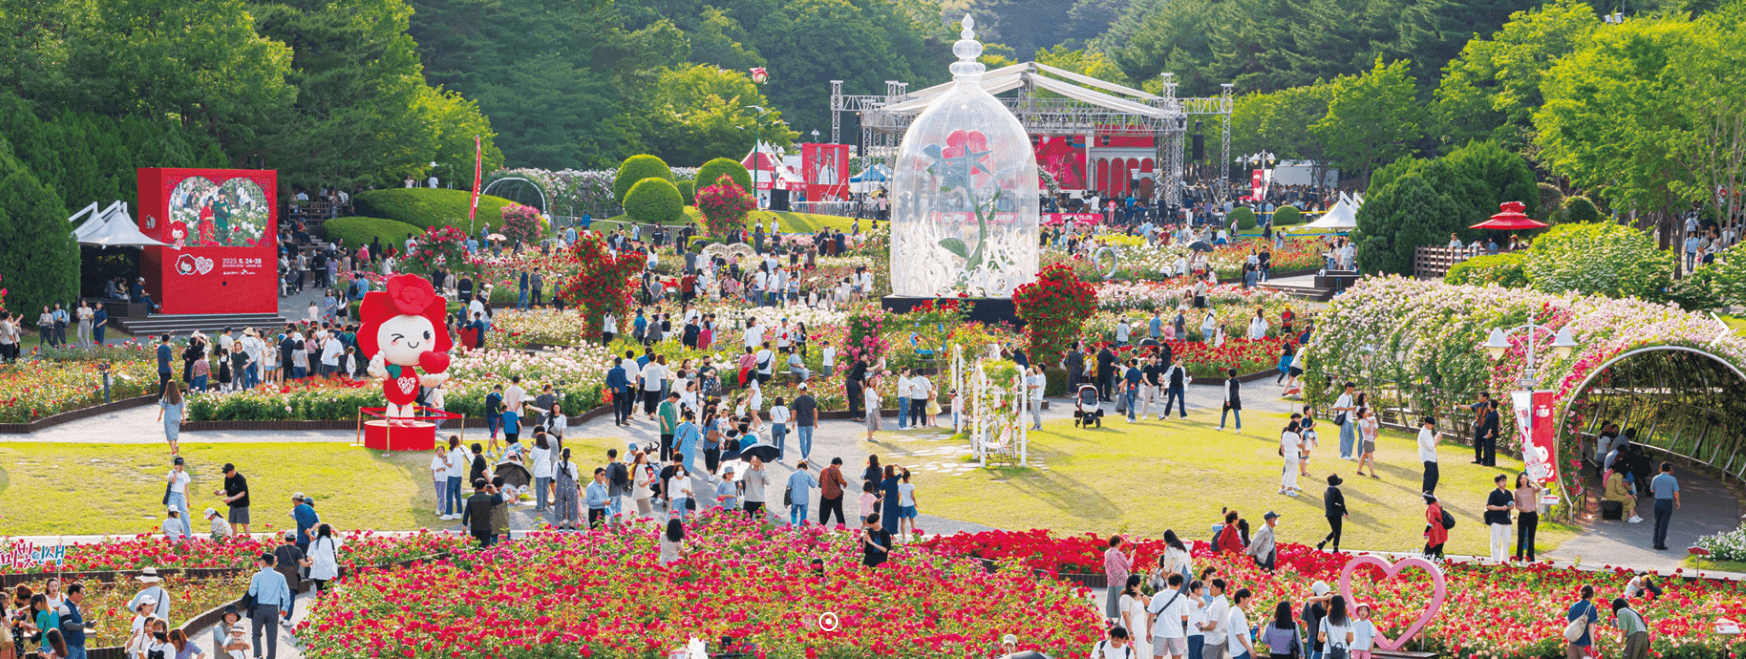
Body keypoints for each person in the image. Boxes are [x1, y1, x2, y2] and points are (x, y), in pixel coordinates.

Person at [246, 553, 291, 659]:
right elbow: (286, 593)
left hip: (259, 609)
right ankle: (271, 657)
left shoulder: (257, 576)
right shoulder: (280, 576)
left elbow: (252, 593)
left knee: (256, 633)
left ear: (264, 562)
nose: (259, 563)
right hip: (273, 609)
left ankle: (258, 655)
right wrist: (285, 607)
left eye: (260, 561)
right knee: (272, 637)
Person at [1147, 573, 1190, 659]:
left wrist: (1148, 631)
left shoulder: (1157, 596)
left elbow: (1151, 616)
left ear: (1168, 582)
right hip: (1177, 633)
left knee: (1157, 657)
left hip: (1160, 632)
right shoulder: (1182, 598)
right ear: (1179, 584)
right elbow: (1185, 618)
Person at [461, 478, 505, 547]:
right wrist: (495, 490)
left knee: (476, 546)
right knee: (485, 546)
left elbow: (466, 513)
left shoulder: (471, 498)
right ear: (485, 487)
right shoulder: (489, 498)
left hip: (474, 527)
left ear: (475, 487)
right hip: (487, 527)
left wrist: (464, 525)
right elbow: (499, 500)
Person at [1103, 535, 1136, 621]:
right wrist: (1132, 556)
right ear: (1117, 543)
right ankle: (1119, 619)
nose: (1121, 543)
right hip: (1121, 579)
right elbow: (1128, 565)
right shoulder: (1119, 554)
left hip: (1111, 579)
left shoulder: (1107, 553)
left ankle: (1109, 617)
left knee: (1110, 598)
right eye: (1121, 542)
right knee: (1120, 599)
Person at [1649, 462, 1680, 550]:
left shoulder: (1655, 478)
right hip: (1667, 503)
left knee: (1657, 523)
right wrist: (1678, 501)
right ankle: (1660, 544)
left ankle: (1655, 543)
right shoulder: (1672, 479)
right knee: (1664, 523)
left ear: (1660, 468)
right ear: (1670, 470)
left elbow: (1652, 490)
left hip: (1657, 502)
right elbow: (1676, 492)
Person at [1513, 472, 1543, 561]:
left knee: (1531, 537)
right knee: (1521, 537)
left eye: (1525, 478)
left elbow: (1540, 489)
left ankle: (1530, 558)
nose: (1523, 480)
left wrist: (1532, 481)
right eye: (1521, 478)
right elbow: (1516, 505)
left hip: (1532, 514)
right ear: (1519, 480)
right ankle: (1519, 558)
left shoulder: (1532, 488)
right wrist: (1522, 509)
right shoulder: (1517, 491)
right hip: (1523, 515)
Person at [1484, 474, 1513, 563]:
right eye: (1502, 481)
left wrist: (1511, 507)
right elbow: (1489, 506)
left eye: (1505, 480)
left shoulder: (1508, 493)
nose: (1504, 483)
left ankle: (1505, 560)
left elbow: (1511, 503)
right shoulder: (1493, 493)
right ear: (1497, 483)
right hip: (1496, 520)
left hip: (1507, 520)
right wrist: (1500, 508)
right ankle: (1496, 561)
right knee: (1495, 541)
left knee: (1506, 542)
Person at [1565, 585, 1599, 659]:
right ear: (1591, 595)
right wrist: (1593, 644)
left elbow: (1569, 623)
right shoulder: (1591, 608)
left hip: (1572, 642)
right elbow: (1590, 627)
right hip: (1585, 644)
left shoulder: (1573, 606)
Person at [1316, 475, 1348, 553]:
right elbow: (1341, 502)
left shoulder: (1326, 491)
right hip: (1336, 514)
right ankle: (1335, 548)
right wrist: (1345, 512)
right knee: (1337, 532)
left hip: (1329, 514)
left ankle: (1322, 543)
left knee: (1334, 531)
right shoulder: (1336, 491)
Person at [550, 449, 580, 530]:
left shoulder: (557, 464)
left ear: (561, 455)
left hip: (560, 487)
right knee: (572, 505)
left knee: (559, 505)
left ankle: (561, 525)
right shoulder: (573, 465)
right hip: (571, 488)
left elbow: (553, 477)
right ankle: (571, 525)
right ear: (570, 455)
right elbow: (575, 477)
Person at [306, 523, 341, 594]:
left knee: (319, 591)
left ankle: (319, 604)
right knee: (328, 592)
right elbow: (345, 538)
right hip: (330, 571)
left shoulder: (314, 543)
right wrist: (334, 529)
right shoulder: (332, 541)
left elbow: (308, 558)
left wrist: (312, 560)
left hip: (318, 571)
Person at [163, 457, 192, 539]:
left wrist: (188, 500)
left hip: (181, 495)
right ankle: (170, 536)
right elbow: (173, 481)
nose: (181, 466)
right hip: (173, 494)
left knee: (185, 515)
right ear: (175, 465)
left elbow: (186, 488)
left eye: (182, 465)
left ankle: (188, 537)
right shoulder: (171, 473)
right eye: (179, 465)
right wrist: (176, 471)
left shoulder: (185, 474)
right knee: (172, 514)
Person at [818, 457, 849, 528]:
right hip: (836, 495)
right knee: (839, 513)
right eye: (839, 465)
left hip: (825, 494)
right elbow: (841, 481)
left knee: (823, 513)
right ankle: (842, 529)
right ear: (838, 464)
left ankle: (821, 527)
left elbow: (820, 481)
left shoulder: (823, 470)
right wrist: (845, 483)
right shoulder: (837, 471)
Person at [786, 460, 818, 526]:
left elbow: (789, 485)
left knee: (793, 513)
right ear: (805, 467)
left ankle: (794, 524)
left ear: (798, 467)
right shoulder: (807, 475)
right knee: (803, 515)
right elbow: (813, 485)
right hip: (804, 499)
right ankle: (802, 528)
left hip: (794, 498)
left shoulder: (793, 475)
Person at [1226, 589, 1256, 659]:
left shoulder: (1233, 610)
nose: (1249, 600)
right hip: (1242, 651)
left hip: (1237, 651)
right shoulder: (1237, 613)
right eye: (1248, 598)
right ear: (1242, 599)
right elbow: (1239, 634)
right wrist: (1250, 649)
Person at [1332, 382, 1357, 460]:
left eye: (1353, 387)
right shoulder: (1342, 396)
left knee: (1351, 437)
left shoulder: (1350, 396)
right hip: (1345, 418)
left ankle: (1348, 454)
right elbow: (1335, 407)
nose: (1352, 389)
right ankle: (1343, 454)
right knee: (1344, 436)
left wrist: (1353, 408)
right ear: (1347, 387)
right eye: (1351, 387)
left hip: (1350, 419)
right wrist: (1347, 409)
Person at [1416, 417, 1439, 495]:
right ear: (1426, 424)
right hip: (1427, 457)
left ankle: (1430, 493)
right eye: (1431, 424)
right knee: (1429, 477)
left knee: (1435, 476)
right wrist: (1438, 440)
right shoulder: (1423, 434)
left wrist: (1437, 437)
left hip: (1432, 457)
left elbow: (1431, 442)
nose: (1432, 426)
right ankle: (1425, 494)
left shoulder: (1428, 431)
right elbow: (1430, 447)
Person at [1279, 422, 1302, 496]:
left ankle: (1283, 488)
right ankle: (1289, 490)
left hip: (1287, 455)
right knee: (1293, 473)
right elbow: (1300, 445)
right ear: (1295, 428)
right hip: (1293, 455)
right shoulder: (1295, 435)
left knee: (1287, 472)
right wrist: (1301, 436)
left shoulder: (1285, 434)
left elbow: (1282, 444)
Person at [1423, 494, 1449, 560]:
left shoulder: (1431, 508)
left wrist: (1426, 532)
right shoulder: (1436, 504)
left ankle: (1424, 564)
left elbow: (1430, 522)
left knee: (1429, 549)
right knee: (1438, 550)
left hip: (1436, 531)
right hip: (1441, 530)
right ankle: (1441, 564)